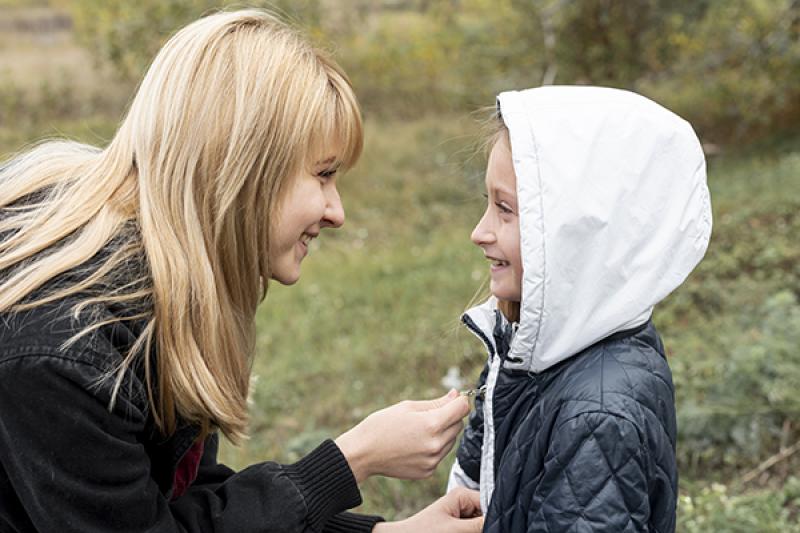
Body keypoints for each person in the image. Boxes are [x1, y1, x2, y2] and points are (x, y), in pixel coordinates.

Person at [0, 9, 483, 533]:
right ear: (244, 168)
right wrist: (349, 461)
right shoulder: (67, 346)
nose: (336, 211)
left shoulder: (174, 273)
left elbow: (183, 501)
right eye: (322, 175)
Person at [447, 86, 712, 532]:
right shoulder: (532, 350)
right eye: (487, 204)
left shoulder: (598, 418)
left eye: (506, 209)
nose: (480, 231)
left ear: (578, 233)